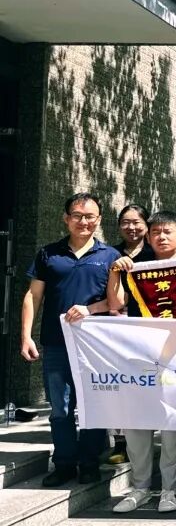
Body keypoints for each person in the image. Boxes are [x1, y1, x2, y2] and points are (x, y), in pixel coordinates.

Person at [96, 211, 176, 513]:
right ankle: (140, 489)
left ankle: (169, 490)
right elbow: (116, 304)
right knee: (136, 426)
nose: (161, 236)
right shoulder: (136, 268)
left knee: (173, 427)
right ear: (148, 237)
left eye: (168, 231)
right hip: (140, 356)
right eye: (156, 232)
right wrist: (115, 273)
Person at [21, 193, 119, 487]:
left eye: (90, 216)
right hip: (56, 342)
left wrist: (91, 308)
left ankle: (89, 462)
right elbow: (33, 296)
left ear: (98, 220)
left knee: (93, 405)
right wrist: (26, 336)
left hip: (95, 345)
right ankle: (64, 463)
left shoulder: (110, 256)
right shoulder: (49, 254)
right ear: (66, 219)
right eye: (77, 215)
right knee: (60, 409)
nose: (83, 221)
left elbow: (117, 302)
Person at [106, 204, 153, 466]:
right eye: (125, 222)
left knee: (145, 385)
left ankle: (146, 437)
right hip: (117, 331)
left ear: (146, 225)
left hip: (149, 331)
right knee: (119, 385)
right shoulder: (110, 254)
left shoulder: (156, 254)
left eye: (137, 222)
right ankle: (121, 443)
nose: (131, 227)